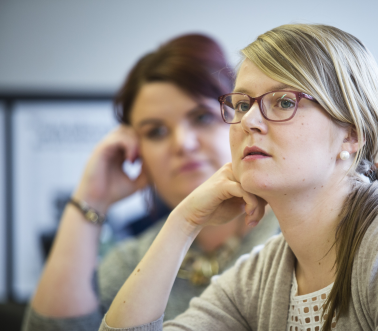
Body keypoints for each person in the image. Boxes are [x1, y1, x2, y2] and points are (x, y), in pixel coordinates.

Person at [98, 23, 378, 331]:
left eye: (284, 102)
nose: (249, 121)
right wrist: (185, 221)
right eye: (241, 104)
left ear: (350, 135)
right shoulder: (261, 274)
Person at [22, 34, 279, 331]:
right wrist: (92, 197)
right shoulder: (134, 261)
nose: (182, 144)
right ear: (138, 153)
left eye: (202, 117)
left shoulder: (292, 234)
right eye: (156, 132)